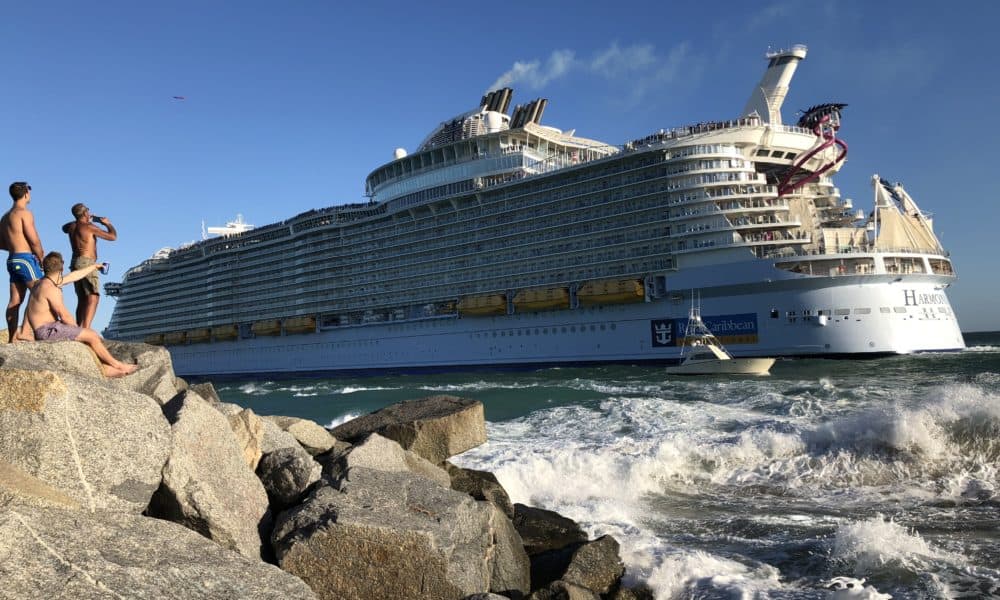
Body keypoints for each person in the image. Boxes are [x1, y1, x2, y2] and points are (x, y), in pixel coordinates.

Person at [25, 251, 137, 378]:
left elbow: (74, 276)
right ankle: (118, 365)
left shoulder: (43, 283)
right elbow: (64, 315)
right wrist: (78, 331)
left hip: (46, 329)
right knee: (91, 336)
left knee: (90, 335)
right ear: (62, 267)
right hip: (47, 330)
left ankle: (104, 368)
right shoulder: (51, 289)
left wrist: (94, 267)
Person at [62, 203, 116, 329]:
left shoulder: (72, 227)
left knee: (81, 298)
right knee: (93, 295)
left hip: (75, 262)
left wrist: (79, 218)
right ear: (86, 213)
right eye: (88, 210)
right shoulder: (89, 227)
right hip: (86, 262)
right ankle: (85, 328)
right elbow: (113, 237)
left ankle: (78, 327)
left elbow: (63, 227)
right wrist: (107, 223)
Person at [1, 182, 44, 342]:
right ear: (26, 193)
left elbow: (1, 243)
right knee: (40, 292)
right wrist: (41, 257)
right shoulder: (24, 213)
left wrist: (14, 244)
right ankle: (25, 331)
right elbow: (34, 240)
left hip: (12, 259)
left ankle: (12, 338)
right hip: (25, 258)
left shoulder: (5, 217)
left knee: (15, 300)